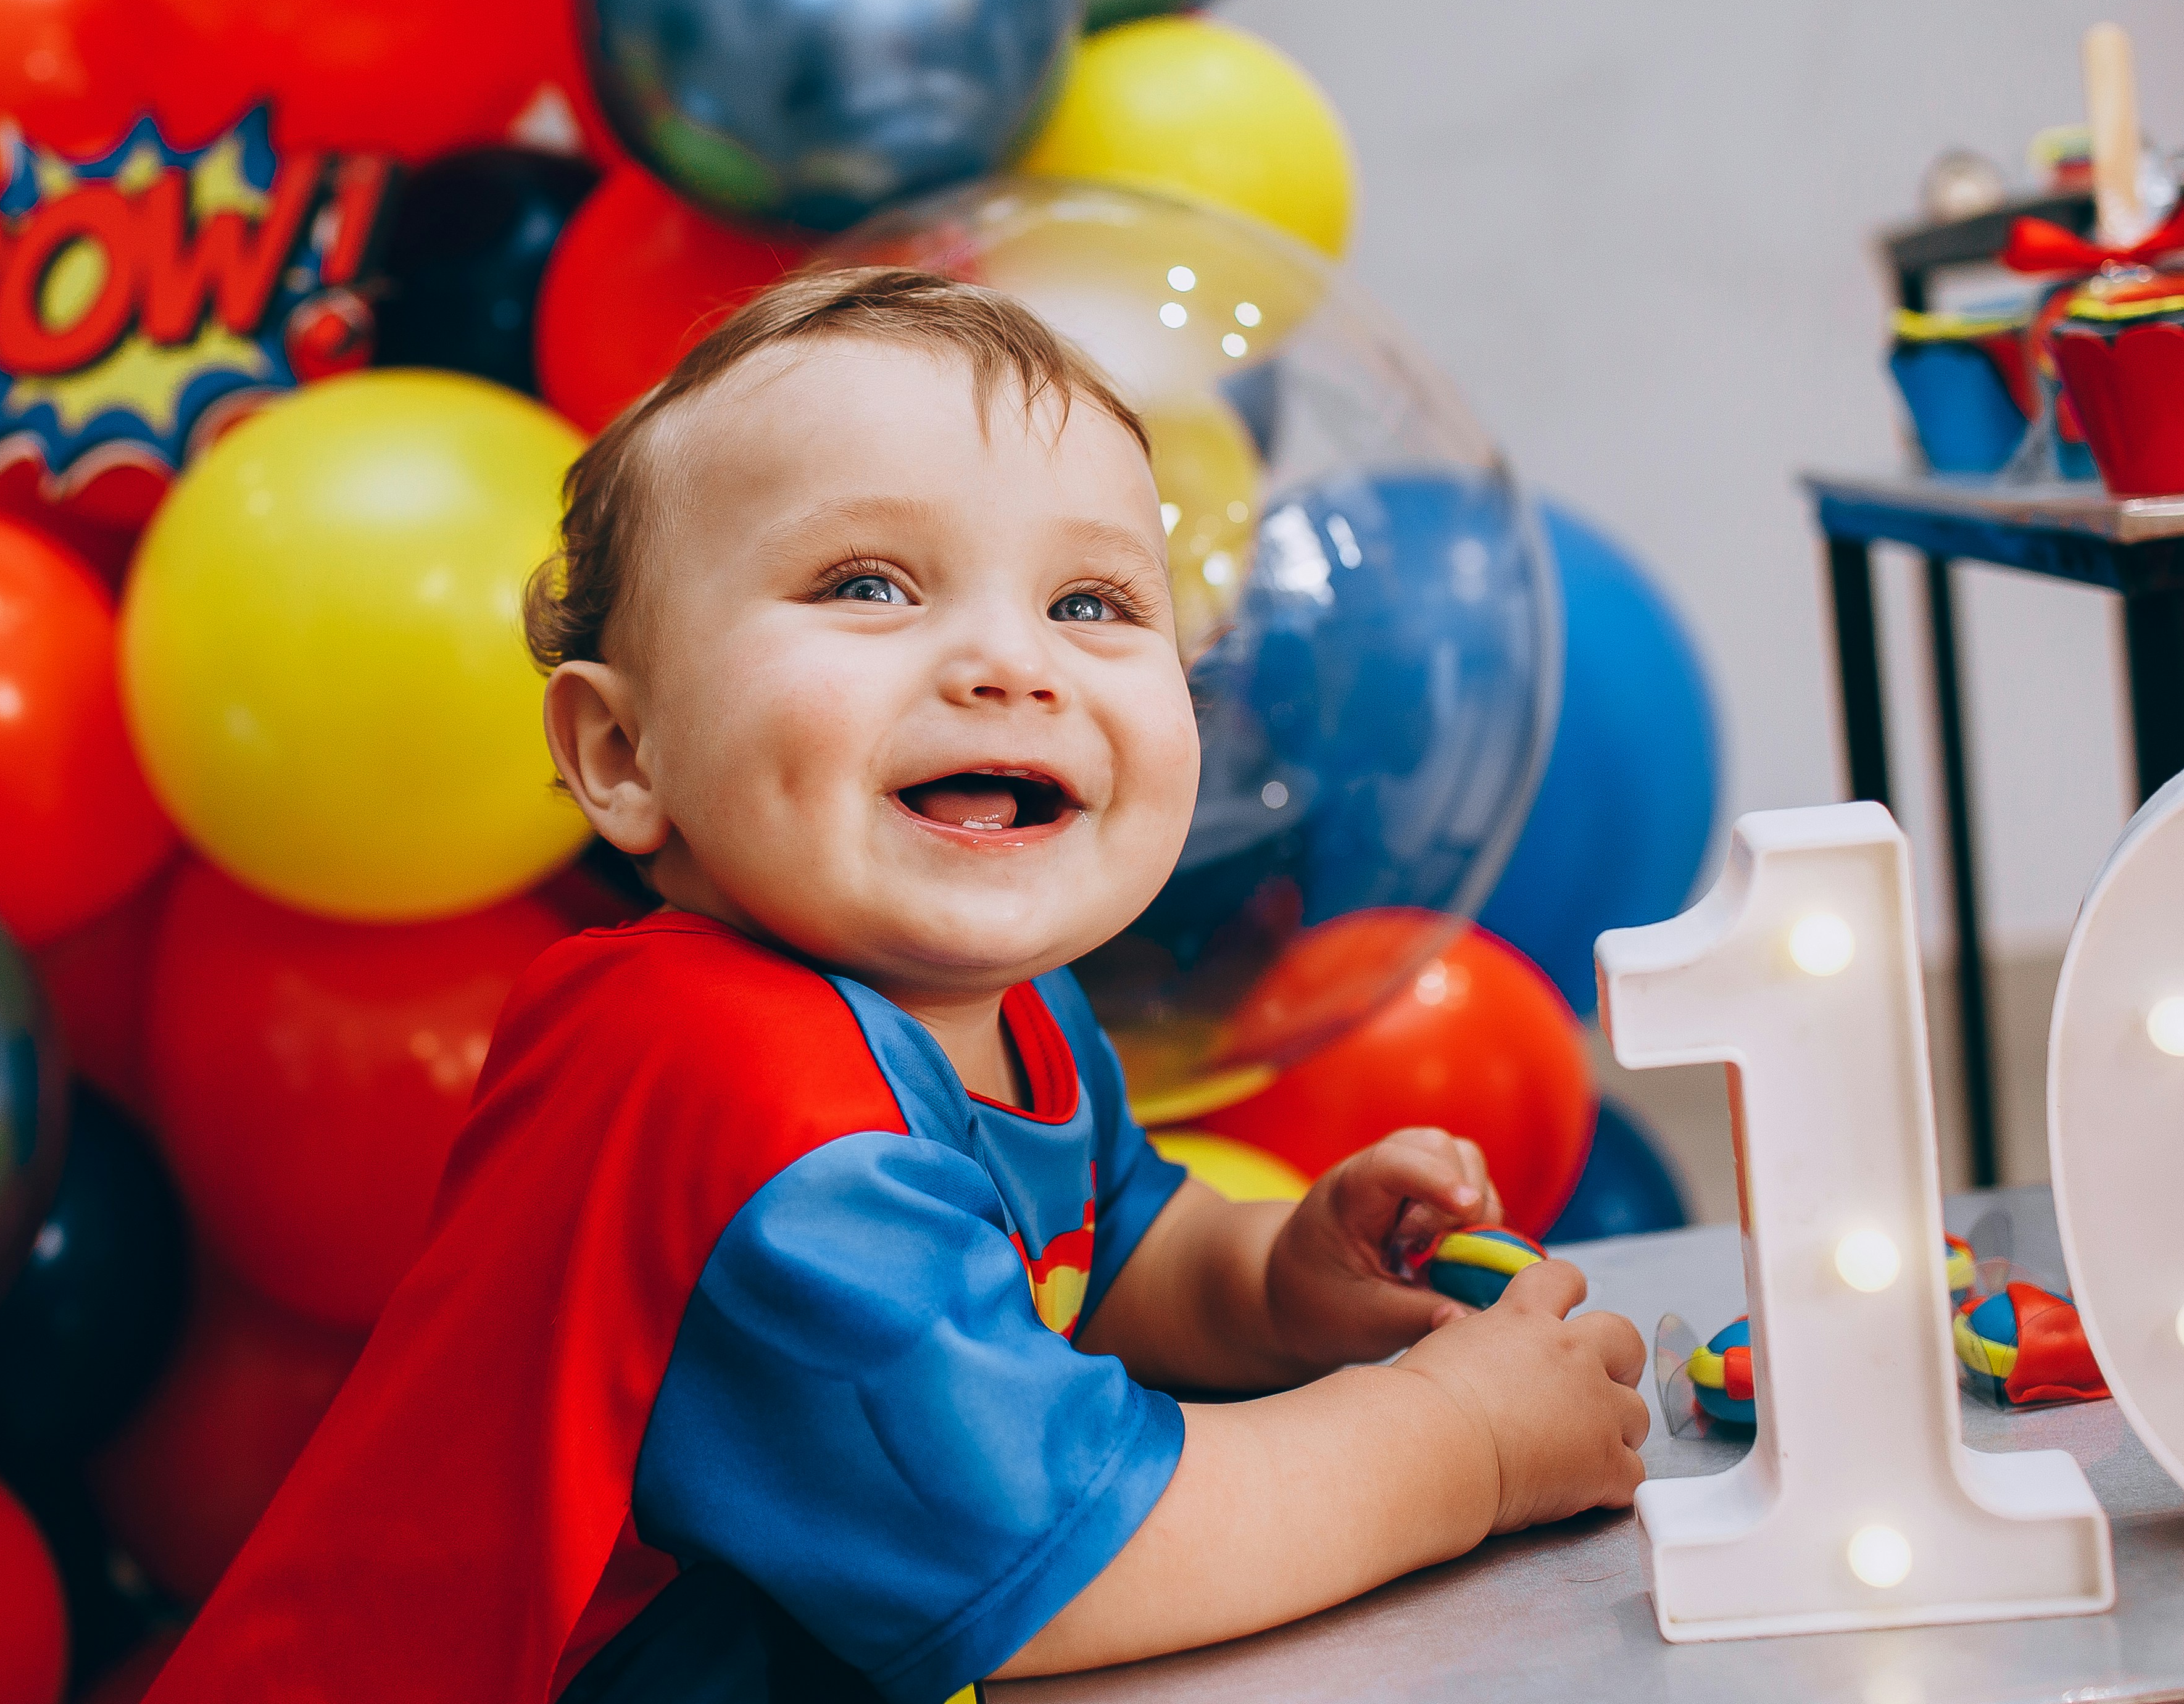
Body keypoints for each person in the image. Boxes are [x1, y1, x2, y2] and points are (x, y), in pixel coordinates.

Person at [144, 267, 1649, 1704]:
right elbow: (1074, 1559)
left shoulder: (999, 1010)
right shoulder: (732, 1084)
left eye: (1094, 604)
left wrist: (1268, 1280)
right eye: (868, 583)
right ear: (623, 754)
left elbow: (1101, 1246)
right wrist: (1465, 1442)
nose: (1013, 663)